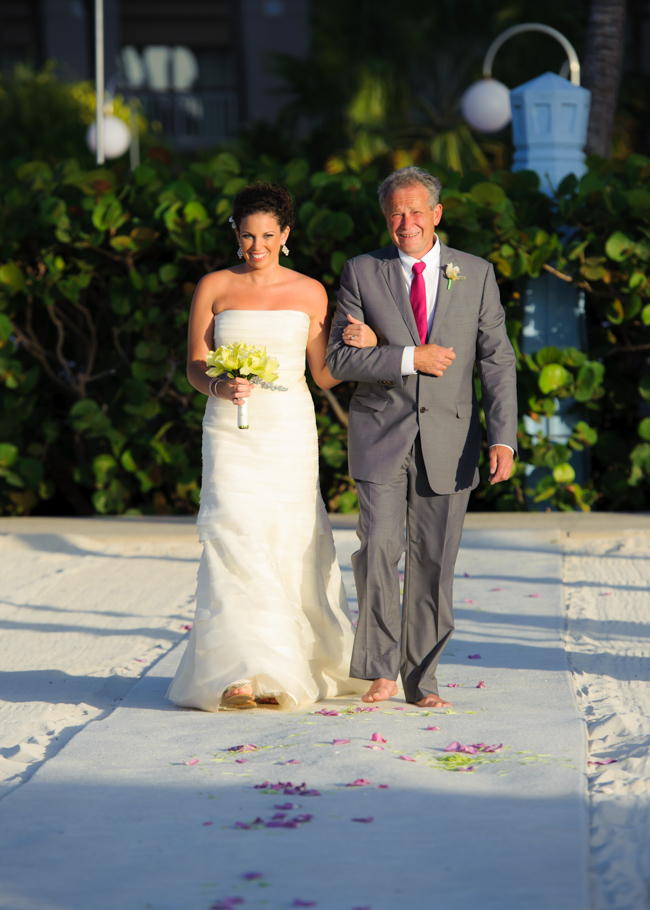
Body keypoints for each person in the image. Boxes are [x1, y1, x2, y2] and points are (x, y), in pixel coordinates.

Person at [167, 182, 375, 711]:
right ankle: (239, 674)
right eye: (246, 235)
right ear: (235, 235)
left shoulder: (311, 292)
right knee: (233, 537)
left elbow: (325, 375)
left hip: (288, 430)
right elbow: (195, 361)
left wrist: (362, 345)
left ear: (285, 235)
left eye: (266, 235)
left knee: (287, 538)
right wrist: (216, 384)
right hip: (230, 430)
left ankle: (285, 666)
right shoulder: (213, 285)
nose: (255, 245)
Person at [326, 166, 517, 709]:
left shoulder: (475, 273)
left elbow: (497, 360)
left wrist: (503, 438)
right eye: (394, 213)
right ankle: (382, 670)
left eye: (414, 212)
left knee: (434, 560)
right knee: (380, 548)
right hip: (380, 434)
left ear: (437, 214)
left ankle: (422, 681)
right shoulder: (362, 273)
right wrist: (410, 356)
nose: (404, 223)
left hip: (451, 441)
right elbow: (341, 359)